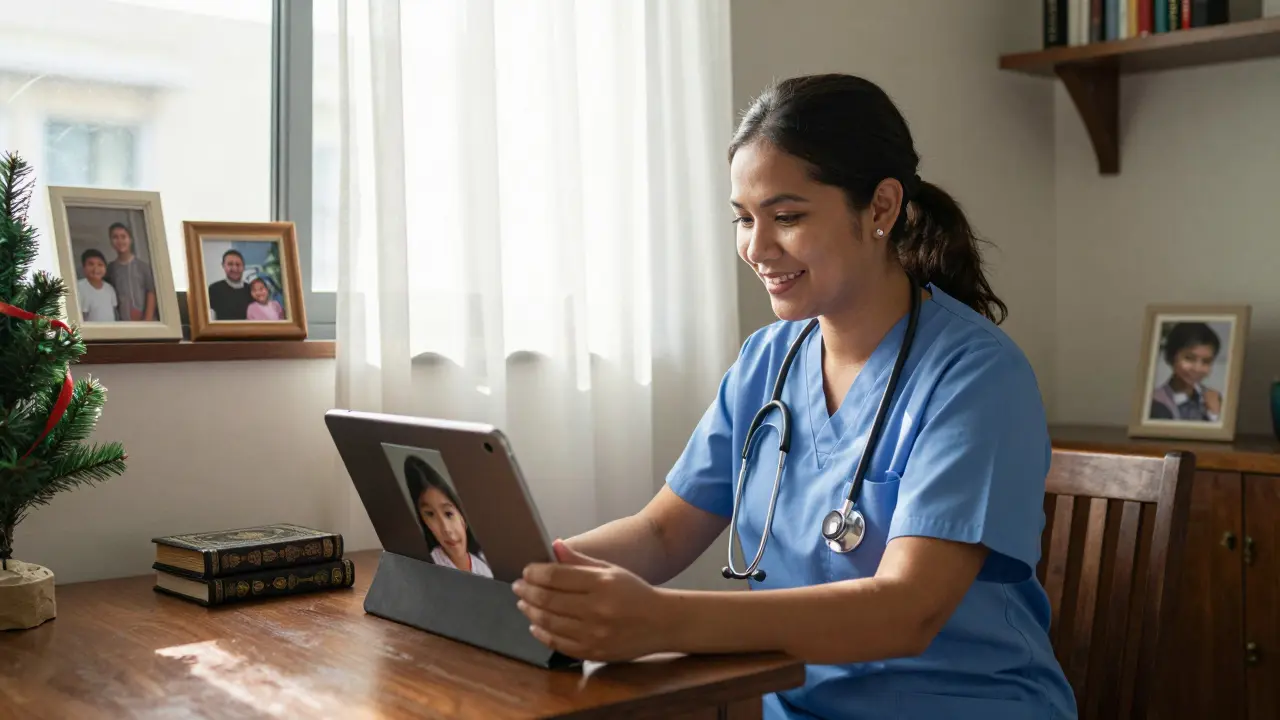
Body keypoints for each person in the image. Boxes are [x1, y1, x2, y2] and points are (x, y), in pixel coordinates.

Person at [511, 74, 1076, 719]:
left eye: (787, 217)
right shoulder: (767, 362)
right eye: (744, 219)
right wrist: (521, 574)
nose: (756, 248)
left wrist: (661, 621)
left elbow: (906, 610)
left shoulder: (975, 377)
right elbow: (662, 532)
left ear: (882, 209)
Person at [403, 454, 493, 578]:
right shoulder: (429, 569)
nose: (446, 529)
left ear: (463, 516)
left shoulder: (485, 563)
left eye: (449, 514)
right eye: (430, 514)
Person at [1149, 321, 1222, 422]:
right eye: (1189, 358)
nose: (1197, 368)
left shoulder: (1215, 399)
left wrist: (1214, 414)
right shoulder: (1155, 402)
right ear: (1170, 358)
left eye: (1206, 361)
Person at [103, 222, 157, 322]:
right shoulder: (110, 269)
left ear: (130, 240)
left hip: (146, 323)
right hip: (123, 324)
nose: (120, 241)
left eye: (123, 237)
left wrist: (147, 321)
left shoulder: (143, 267)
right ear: (111, 241)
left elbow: (151, 292)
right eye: (115, 237)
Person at [207, 249, 254, 320]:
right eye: (230, 264)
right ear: (223, 266)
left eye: (238, 264)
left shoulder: (251, 289)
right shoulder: (214, 289)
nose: (234, 268)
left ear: (243, 267)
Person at [76, 249, 118, 322]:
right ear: (84, 268)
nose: (96, 269)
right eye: (91, 264)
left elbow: (114, 312)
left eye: (100, 265)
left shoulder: (109, 288)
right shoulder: (78, 288)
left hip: (110, 331)